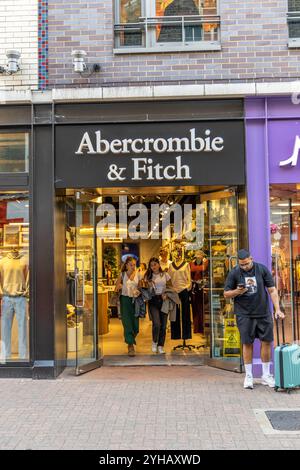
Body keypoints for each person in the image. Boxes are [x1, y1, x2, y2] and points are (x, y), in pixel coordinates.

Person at [224, 249, 285, 390]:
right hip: (244, 314)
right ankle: (249, 376)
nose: (244, 267)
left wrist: (277, 309)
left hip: (263, 312)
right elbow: (226, 293)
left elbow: (272, 290)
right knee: (247, 343)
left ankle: (266, 375)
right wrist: (237, 292)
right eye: (241, 265)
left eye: (246, 263)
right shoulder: (234, 272)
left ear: (251, 258)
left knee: (266, 342)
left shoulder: (261, 269)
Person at [0, 247, 29, 360]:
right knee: (5, 329)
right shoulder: (2, 261)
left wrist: (27, 294)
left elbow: (28, 278)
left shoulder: (24, 260)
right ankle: (6, 357)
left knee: (22, 329)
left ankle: (23, 357)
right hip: (7, 298)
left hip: (21, 298)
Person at [144, 257, 172, 354]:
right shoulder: (148, 276)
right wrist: (148, 285)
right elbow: (143, 289)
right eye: (151, 265)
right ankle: (154, 342)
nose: (153, 267)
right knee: (156, 323)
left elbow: (170, 287)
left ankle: (161, 346)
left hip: (164, 300)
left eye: (155, 264)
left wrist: (166, 294)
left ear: (159, 265)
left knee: (163, 325)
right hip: (153, 300)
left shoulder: (165, 275)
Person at [115, 256, 141, 357]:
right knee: (127, 323)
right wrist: (119, 286)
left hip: (135, 301)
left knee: (136, 325)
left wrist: (139, 291)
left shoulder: (138, 275)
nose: (133, 267)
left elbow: (141, 287)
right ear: (126, 265)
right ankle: (130, 346)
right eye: (131, 265)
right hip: (125, 300)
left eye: (134, 265)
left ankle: (131, 338)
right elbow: (116, 288)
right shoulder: (122, 275)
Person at [190, 250, 208, 334]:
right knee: (195, 308)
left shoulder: (205, 262)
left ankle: (202, 328)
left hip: (203, 286)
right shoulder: (192, 263)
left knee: (202, 308)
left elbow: (204, 268)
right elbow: (193, 269)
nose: (198, 258)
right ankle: (197, 328)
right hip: (194, 287)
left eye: (200, 257)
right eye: (197, 257)